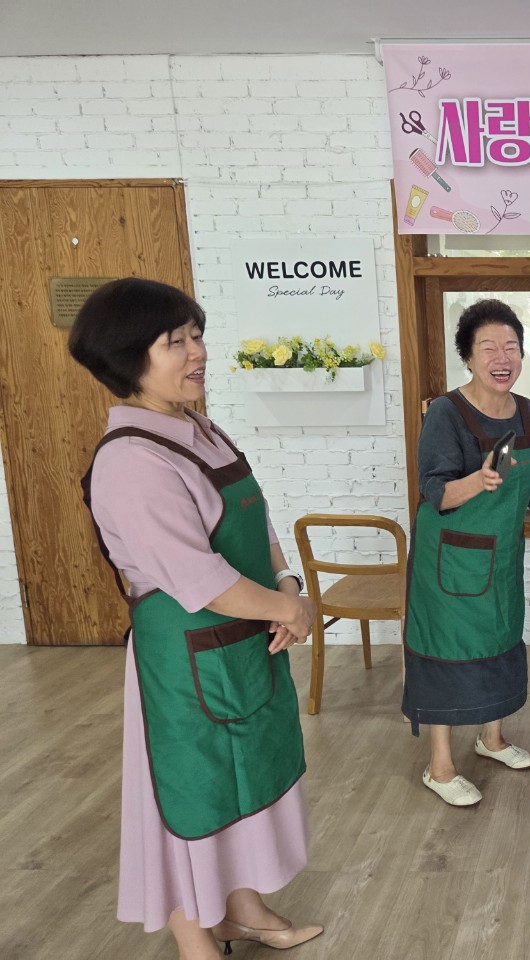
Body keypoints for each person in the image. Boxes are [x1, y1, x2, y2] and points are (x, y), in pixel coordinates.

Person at [70, 279, 322, 959]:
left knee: (247, 780)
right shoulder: (131, 460)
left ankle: (242, 911)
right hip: (184, 668)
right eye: (174, 342)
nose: (197, 352)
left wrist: (289, 584)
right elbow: (199, 577)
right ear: (128, 357)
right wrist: (289, 609)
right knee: (192, 795)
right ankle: (195, 940)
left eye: (197, 335)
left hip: (240, 644)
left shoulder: (201, 430)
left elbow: (258, 522)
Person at [404, 298, 530, 807]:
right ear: (468, 357)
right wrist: (480, 478)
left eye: (511, 347)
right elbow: (436, 492)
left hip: (501, 554)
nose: (502, 357)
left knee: (499, 637)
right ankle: (440, 766)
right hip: (448, 560)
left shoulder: (526, 411)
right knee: (447, 650)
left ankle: (491, 739)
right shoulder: (446, 413)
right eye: (488, 347)